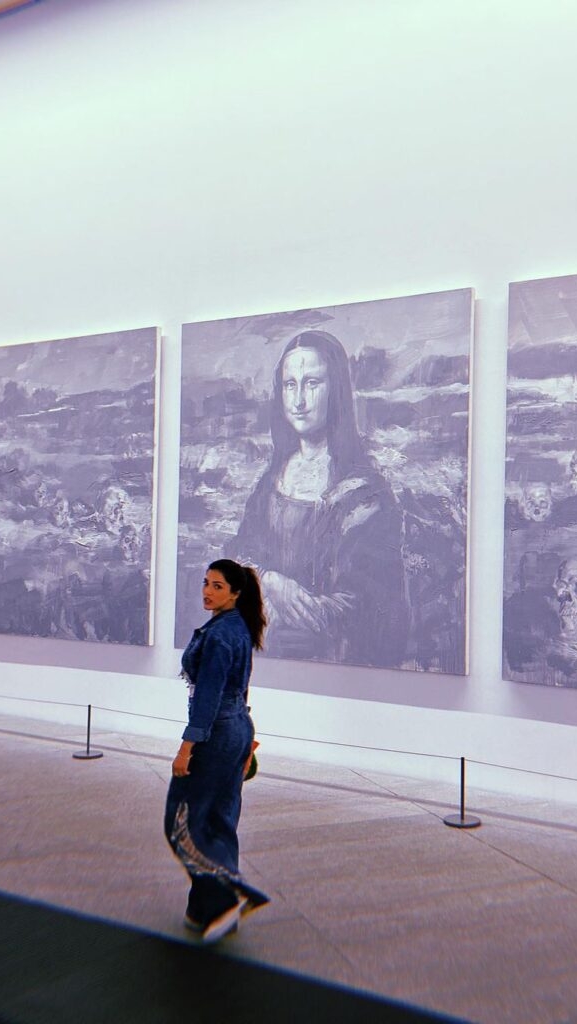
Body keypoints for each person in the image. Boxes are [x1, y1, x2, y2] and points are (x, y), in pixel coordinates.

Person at [234, 329, 408, 667]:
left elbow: (370, 608)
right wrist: (269, 581)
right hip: (268, 657)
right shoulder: (271, 482)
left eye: (312, 384)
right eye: (290, 385)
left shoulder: (364, 494)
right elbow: (238, 556)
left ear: (337, 391)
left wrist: (285, 612)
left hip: (335, 666)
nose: (299, 400)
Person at [164, 558, 269, 943]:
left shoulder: (222, 635)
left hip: (215, 733)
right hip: (236, 727)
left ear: (236, 593)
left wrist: (186, 749)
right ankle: (204, 907)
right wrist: (243, 737)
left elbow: (208, 699)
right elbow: (238, 689)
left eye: (218, 586)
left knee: (182, 823)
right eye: (206, 583)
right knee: (220, 820)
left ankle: (229, 893)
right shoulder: (236, 627)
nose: (208, 591)